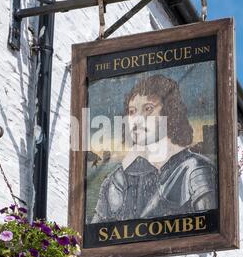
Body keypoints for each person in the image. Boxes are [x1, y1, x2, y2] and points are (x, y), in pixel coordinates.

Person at [91, 75, 217, 224]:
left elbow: (208, 228)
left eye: (148, 109)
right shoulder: (116, 179)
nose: (137, 119)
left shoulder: (194, 170)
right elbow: (94, 235)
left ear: (170, 111)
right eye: (132, 111)